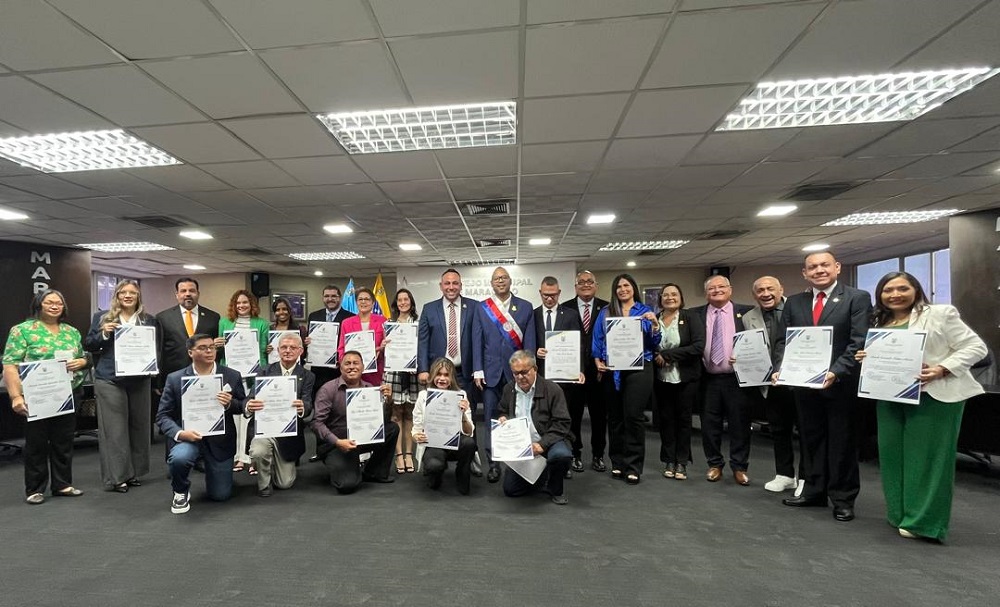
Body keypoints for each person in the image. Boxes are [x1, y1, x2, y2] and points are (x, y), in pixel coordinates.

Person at [855, 272, 986, 541]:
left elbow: (976, 347)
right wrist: (867, 357)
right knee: (893, 457)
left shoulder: (940, 313)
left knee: (927, 462)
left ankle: (925, 523)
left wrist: (942, 368)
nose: (895, 294)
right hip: (892, 396)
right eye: (888, 290)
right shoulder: (883, 321)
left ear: (916, 290)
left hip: (934, 397)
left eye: (902, 288)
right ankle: (900, 514)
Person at [774, 251, 872, 523]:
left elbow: (858, 341)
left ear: (837, 267)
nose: (819, 270)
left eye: (824, 265)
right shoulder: (795, 303)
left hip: (840, 385)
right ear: (804, 273)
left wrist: (836, 371)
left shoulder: (857, 298)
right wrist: (782, 368)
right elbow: (783, 341)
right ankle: (814, 490)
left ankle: (842, 498)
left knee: (842, 443)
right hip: (805, 385)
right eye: (812, 267)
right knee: (811, 440)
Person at [3, 289, 90, 505]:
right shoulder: (22, 330)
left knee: (63, 441)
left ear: (64, 307)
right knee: (37, 443)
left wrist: (83, 362)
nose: (54, 306)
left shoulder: (71, 332)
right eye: (49, 302)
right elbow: (10, 364)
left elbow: (80, 357)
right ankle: (35, 488)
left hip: (67, 394)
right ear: (39, 305)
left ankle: (62, 484)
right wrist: (15, 396)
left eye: (58, 303)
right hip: (36, 395)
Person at [155, 333, 247, 514]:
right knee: (180, 458)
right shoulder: (175, 379)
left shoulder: (231, 375)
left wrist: (230, 404)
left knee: (220, 495)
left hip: (220, 440)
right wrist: (180, 434)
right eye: (203, 348)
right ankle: (180, 491)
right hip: (188, 437)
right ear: (190, 352)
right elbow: (162, 416)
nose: (209, 351)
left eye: (212, 347)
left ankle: (219, 474)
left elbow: (242, 405)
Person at [83, 279, 158, 493]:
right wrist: (104, 332)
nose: (127, 296)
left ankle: (133, 472)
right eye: (123, 292)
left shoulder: (148, 320)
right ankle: (117, 477)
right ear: (116, 295)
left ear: (138, 296)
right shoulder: (102, 318)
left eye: (132, 292)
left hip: (140, 379)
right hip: (110, 379)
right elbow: (89, 344)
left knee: (139, 427)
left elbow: (155, 349)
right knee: (114, 430)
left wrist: (154, 372)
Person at [592, 273, 660, 485]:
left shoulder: (646, 311)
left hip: (640, 368)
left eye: (626, 285)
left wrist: (655, 324)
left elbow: (654, 341)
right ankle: (618, 462)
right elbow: (597, 339)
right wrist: (597, 360)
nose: (622, 289)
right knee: (615, 418)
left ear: (633, 288)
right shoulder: (605, 312)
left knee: (633, 417)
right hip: (613, 369)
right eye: (619, 286)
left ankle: (633, 466)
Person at [472, 266, 537, 483]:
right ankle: (493, 464)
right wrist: (478, 369)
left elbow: (529, 344)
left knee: (520, 417)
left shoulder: (526, 307)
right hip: (490, 374)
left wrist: (529, 372)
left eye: (504, 278)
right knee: (492, 418)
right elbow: (477, 340)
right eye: (496, 278)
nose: (500, 281)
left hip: (517, 374)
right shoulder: (482, 308)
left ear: (510, 281)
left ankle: (519, 461)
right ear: (491, 283)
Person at [740, 276, 803, 493]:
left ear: (781, 289)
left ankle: (806, 477)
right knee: (779, 430)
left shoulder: (798, 308)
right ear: (754, 295)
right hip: (770, 382)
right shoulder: (749, 317)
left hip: (799, 379)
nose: (765, 293)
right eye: (760, 290)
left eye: (770, 289)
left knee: (805, 431)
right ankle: (784, 474)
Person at [691, 275, 755, 485]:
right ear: (706, 292)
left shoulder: (747, 312)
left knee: (740, 424)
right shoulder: (695, 314)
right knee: (709, 425)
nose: (716, 290)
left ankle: (739, 466)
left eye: (721, 286)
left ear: (730, 289)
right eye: (711, 288)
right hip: (707, 379)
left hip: (737, 379)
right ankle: (714, 464)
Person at [310, 350, 398, 494]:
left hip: (361, 438)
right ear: (340, 367)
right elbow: (316, 423)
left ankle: (374, 472)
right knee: (347, 485)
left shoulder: (370, 389)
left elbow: (382, 422)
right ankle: (345, 467)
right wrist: (337, 442)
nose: (352, 367)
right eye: (347, 363)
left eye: (356, 363)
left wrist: (388, 401)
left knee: (392, 429)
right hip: (335, 444)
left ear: (363, 367)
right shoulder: (328, 389)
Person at [497, 350, 574, 505]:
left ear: (535, 369)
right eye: (515, 373)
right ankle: (542, 475)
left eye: (524, 372)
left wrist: (542, 444)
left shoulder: (552, 389)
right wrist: (502, 418)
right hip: (522, 444)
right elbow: (502, 410)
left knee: (561, 455)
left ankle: (556, 488)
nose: (520, 377)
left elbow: (562, 422)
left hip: (549, 439)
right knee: (511, 490)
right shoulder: (509, 389)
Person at [245, 333, 315, 498]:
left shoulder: (307, 376)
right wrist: (250, 404)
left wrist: (302, 408)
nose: (288, 351)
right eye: (284, 347)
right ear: (277, 350)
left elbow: (308, 403)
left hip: (288, 433)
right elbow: (249, 398)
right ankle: (264, 483)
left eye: (293, 347)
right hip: (265, 429)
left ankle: (274, 463)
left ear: (300, 351)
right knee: (258, 450)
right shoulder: (263, 371)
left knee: (285, 483)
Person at [653, 283, 705, 481]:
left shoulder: (690, 317)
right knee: (665, 420)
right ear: (660, 299)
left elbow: (698, 346)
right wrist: (656, 354)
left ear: (681, 297)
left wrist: (667, 355)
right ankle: (668, 459)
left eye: (674, 294)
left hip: (685, 378)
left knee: (684, 420)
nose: (669, 298)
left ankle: (682, 461)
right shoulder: (655, 319)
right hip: (661, 378)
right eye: (665, 295)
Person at [533, 276, 584, 477]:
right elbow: (527, 343)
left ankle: (570, 457)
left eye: (553, 295)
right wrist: (535, 352)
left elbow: (578, 344)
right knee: (542, 418)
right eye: (546, 295)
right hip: (542, 376)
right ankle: (544, 458)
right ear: (540, 293)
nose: (549, 299)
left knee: (567, 417)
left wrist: (579, 369)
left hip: (566, 376)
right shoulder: (534, 314)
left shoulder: (570, 314)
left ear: (559, 293)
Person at [215, 289, 269, 474]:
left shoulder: (261, 323)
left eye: (245, 302)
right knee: (235, 417)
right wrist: (217, 345)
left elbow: (263, 351)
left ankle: (251, 457)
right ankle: (238, 457)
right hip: (231, 375)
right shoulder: (224, 322)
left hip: (253, 375)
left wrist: (262, 368)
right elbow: (220, 353)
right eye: (238, 303)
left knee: (252, 416)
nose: (241, 306)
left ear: (251, 304)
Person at [561, 270, 610, 472]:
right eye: (581, 282)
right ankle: (575, 453)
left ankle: (598, 455)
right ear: (575, 286)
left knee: (599, 416)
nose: (586, 284)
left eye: (590, 281)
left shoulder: (608, 307)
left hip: (600, 371)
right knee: (573, 415)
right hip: (573, 372)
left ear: (596, 285)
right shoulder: (565, 308)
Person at [411, 357, 476, 494]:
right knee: (434, 467)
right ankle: (435, 473)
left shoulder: (461, 395)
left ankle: (462, 473)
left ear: (452, 377)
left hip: (455, 441)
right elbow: (415, 430)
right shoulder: (424, 396)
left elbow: (469, 432)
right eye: (438, 374)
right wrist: (417, 436)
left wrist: (463, 414)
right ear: (432, 376)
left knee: (469, 443)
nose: (442, 379)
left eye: (446, 375)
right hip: (433, 443)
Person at [155, 277, 221, 387]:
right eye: (183, 291)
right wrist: (158, 382)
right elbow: (159, 351)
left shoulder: (213, 317)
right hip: (173, 377)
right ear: (177, 294)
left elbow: (217, 349)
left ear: (198, 293)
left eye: (192, 290)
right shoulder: (162, 318)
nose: (188, 294)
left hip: (206, 375)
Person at [386, 288, 419, 474]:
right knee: (396, 414)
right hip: (394, 373)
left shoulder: (418, 323)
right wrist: (383, 345)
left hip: (412, 374)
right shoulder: (388, 324)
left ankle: (409, 454)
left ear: (411, 302)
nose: (403, 303)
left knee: (410, 415)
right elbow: (384, 350)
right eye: (400, 300)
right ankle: (398, 455)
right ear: (395, 303)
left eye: (406, 299)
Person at [306, 284, 355, 393]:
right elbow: (308, 341)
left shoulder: (350, 317)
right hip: (318, 370)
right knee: (319, 402)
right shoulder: (314, 316)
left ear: (340, 298)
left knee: (339, 403)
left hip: (339, 370)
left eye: (334, 296)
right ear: (323, 298)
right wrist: (307, 342)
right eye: (327, 296)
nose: (330, 299)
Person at [337, 286, 388, 386]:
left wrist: (382, 348)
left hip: (376, 372)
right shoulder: (346, 323)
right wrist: (346, 365)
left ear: (373, 303)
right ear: (356, 302)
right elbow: (341, 349)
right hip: (352, 373)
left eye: (367, 299)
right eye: (360, 299)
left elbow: (388, 348)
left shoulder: (382, 321)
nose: (363, 302)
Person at [269, 297, 307, 362]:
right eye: (277, 310)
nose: (281, 312)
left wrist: (307, 345)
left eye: (284, 309)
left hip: (295, 368)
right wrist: (267, 350)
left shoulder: (300, 330)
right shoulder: (270, 329)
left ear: (290, 310)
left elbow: (304, 355)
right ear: (275, 313)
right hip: (274, 368)